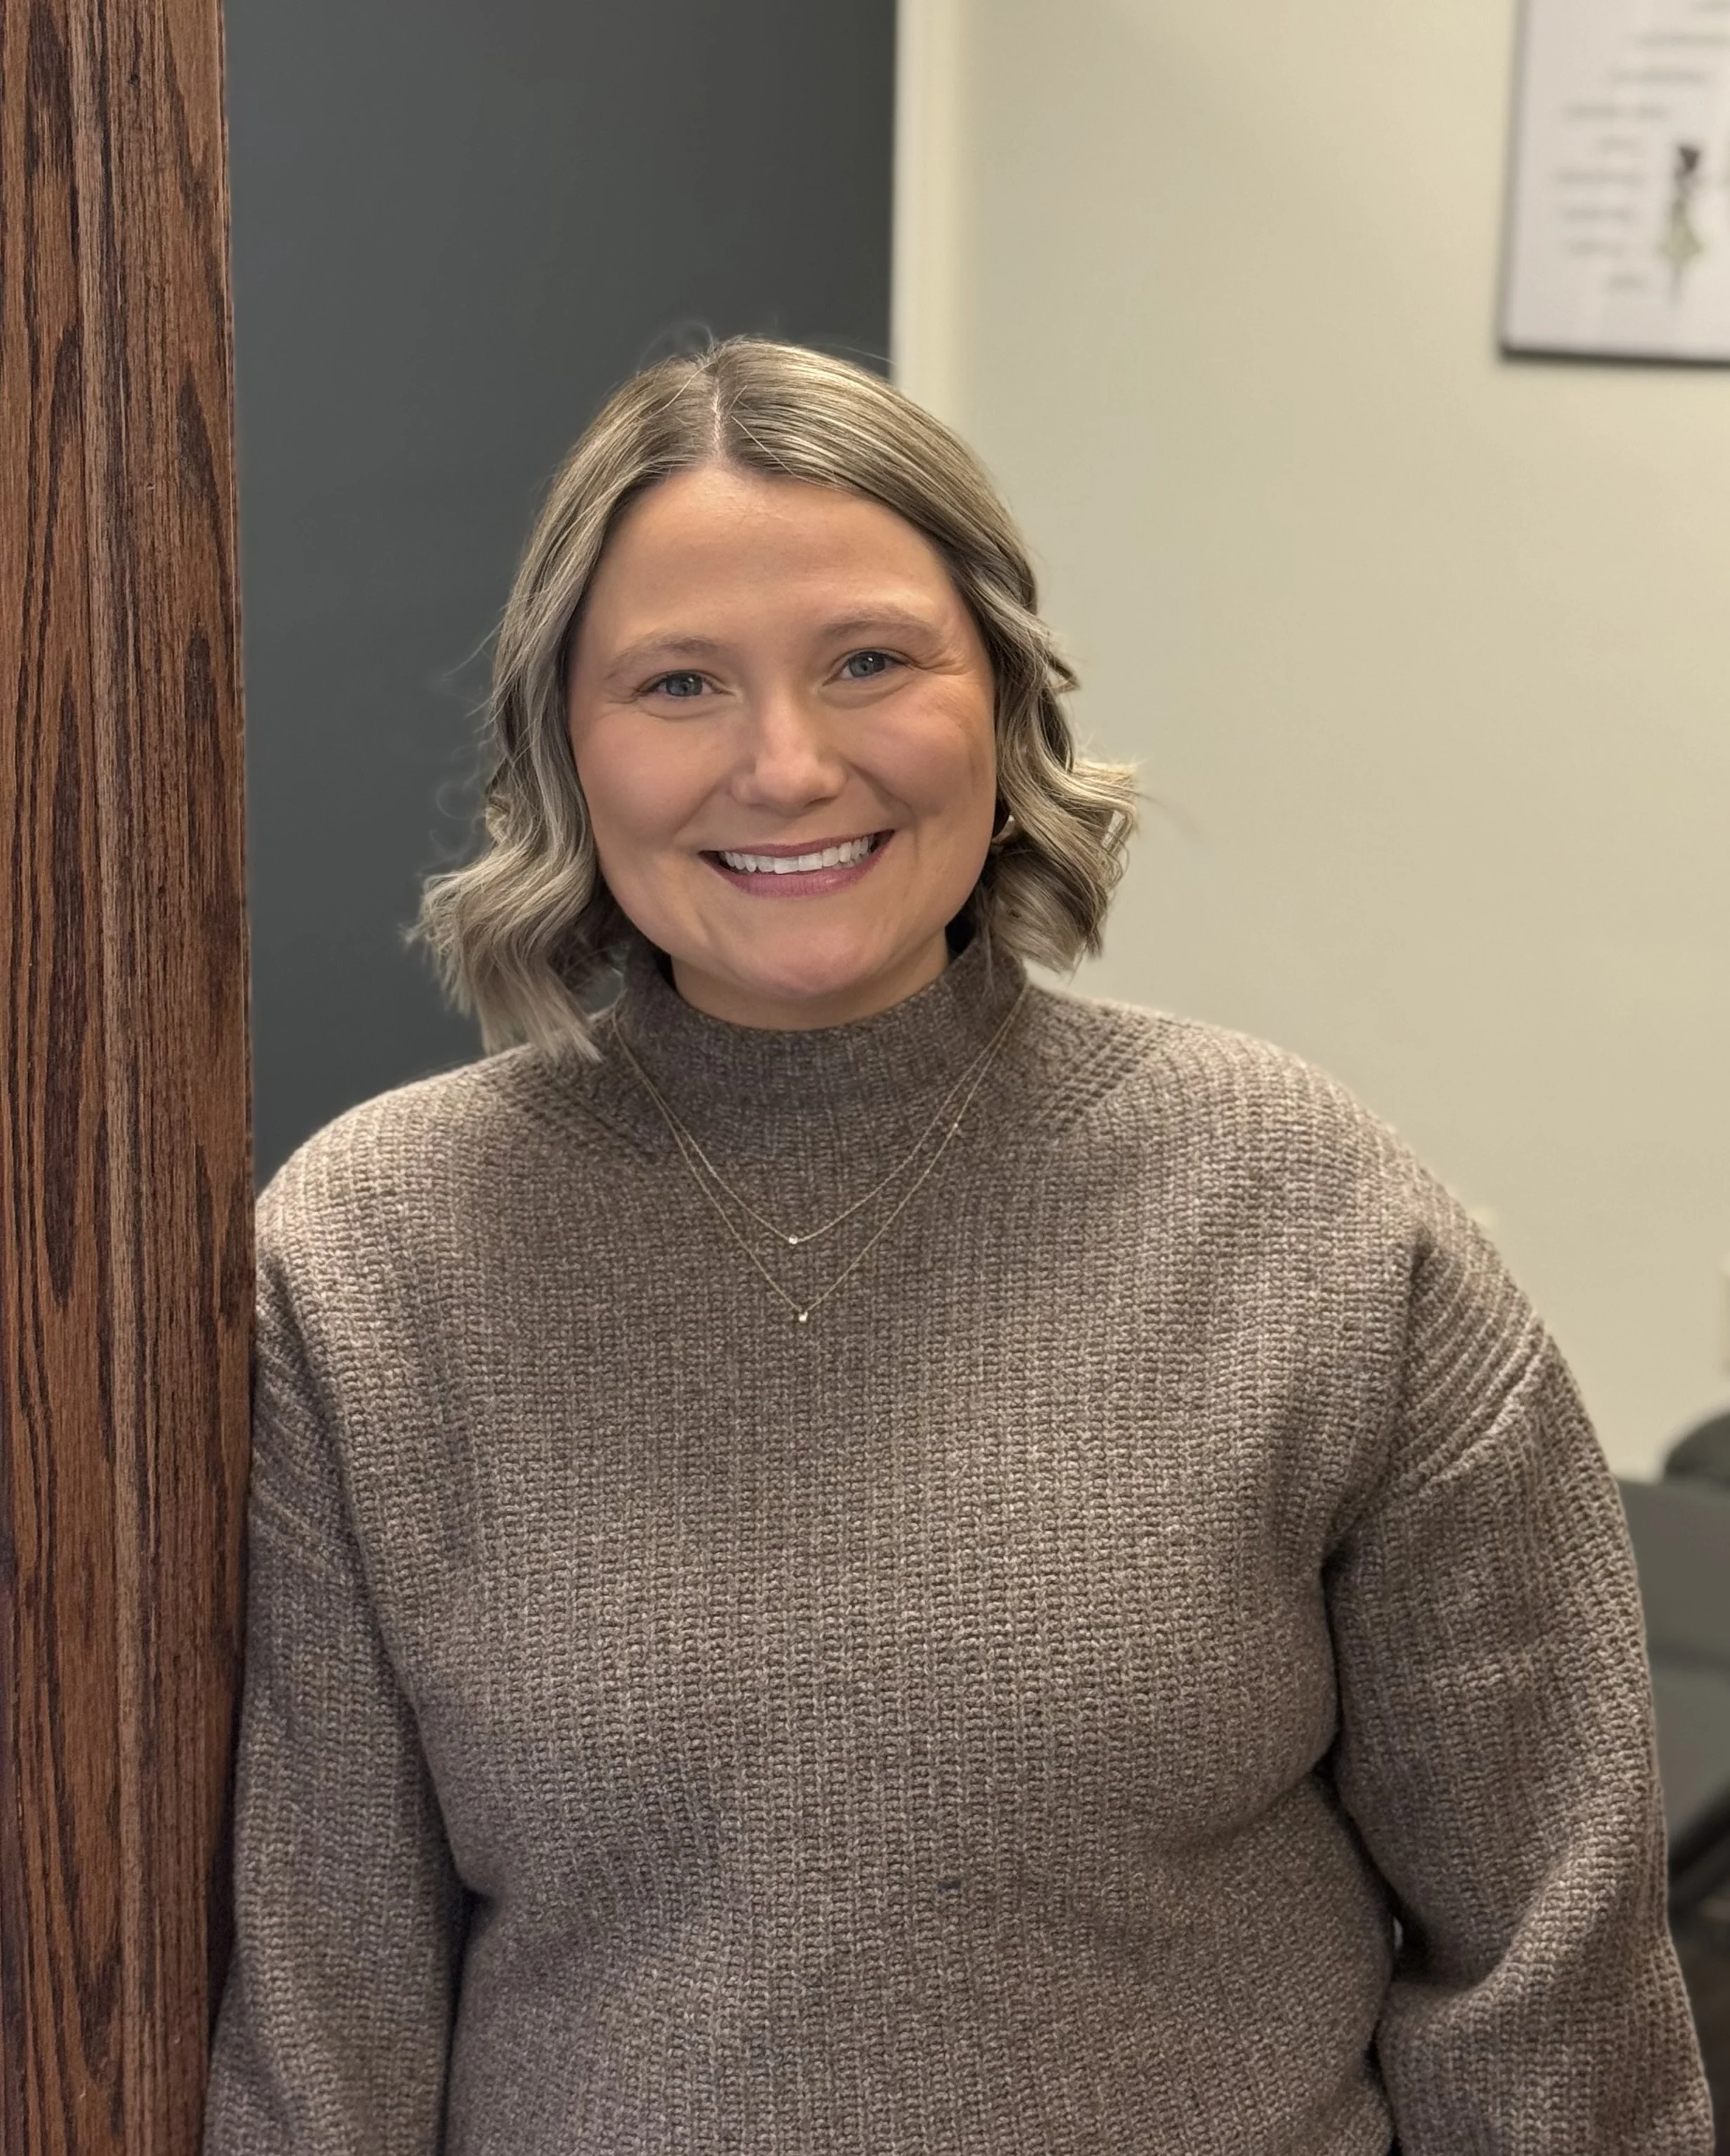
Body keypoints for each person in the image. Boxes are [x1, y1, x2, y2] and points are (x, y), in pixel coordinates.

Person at [202, 337, 1712, 2154]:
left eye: (868, 662)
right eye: (678, 683)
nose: (784, 762)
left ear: (998, 703)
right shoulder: (368, 1264)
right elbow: (321, 2019)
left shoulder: (1306, 1215)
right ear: (562, 746)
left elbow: (1550, 1977)